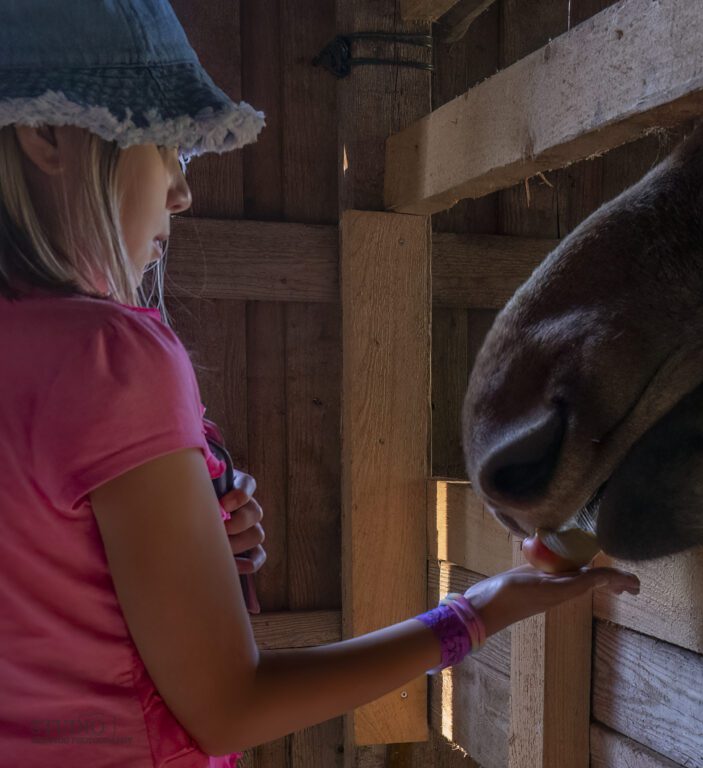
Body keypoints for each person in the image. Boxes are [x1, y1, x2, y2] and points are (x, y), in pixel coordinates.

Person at [0, 1, 641, 766]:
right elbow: (229, 710)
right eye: (167, 144)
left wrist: (180, 550)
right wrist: (476, 611)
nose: (181, 191)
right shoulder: (115, 357)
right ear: (47, 135)